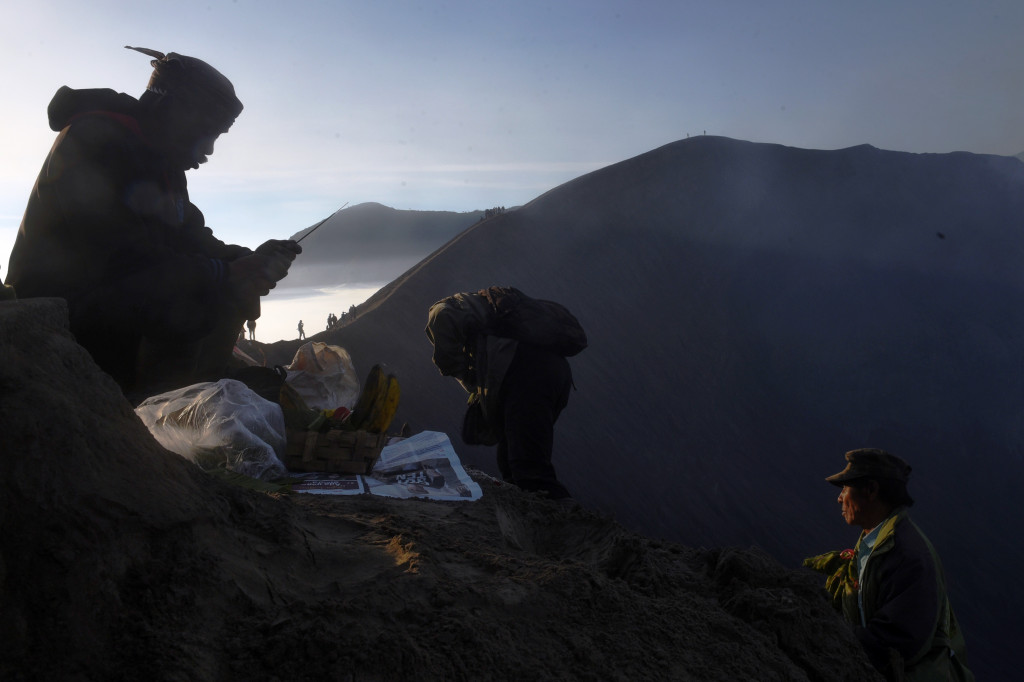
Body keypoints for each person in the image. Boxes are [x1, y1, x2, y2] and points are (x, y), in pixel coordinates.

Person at [4, 46, 299, 400]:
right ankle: (152, 412)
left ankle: (176, 409)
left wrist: (246, 259)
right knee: (197, 304)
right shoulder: (92, 142)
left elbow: (189, 235)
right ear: (170, 110)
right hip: (67, 304)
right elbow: (122, 258)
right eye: (205, 132)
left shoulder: (163, 164)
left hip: (115, 293)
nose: (208, 149)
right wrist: (225, 273)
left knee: (226, 289)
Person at [803, 449, 974, 681]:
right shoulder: (878, 543)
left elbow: (897, 643)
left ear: (871, 490)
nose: (840, 497)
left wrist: (828, 634)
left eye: (845, 488)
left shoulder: (908, 556)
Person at [425, 290, 574, 501]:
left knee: (529, 466)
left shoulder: (441, 314)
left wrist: (474, 384)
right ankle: (532, 509)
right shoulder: (493, 310)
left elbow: (446, 361)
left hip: (526, 375)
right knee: (515, 453)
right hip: (556, 372)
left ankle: (566, 521)